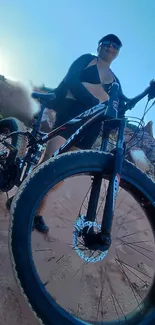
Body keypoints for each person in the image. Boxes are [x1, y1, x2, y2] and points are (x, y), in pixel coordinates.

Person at [6, 34, 134, 233]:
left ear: (118, 52)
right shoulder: (86, 60)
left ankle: (36, 210)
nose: (110, 46)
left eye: (115, 45)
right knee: (49, 161)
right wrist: (94, 100)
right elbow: (71, 81)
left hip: (91, 127)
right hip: (70, 114)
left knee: (62, 171)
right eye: (106, 43)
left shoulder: (115, 81)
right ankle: (21, 201)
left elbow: (123, 103)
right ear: (99, 46)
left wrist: (147, 93)